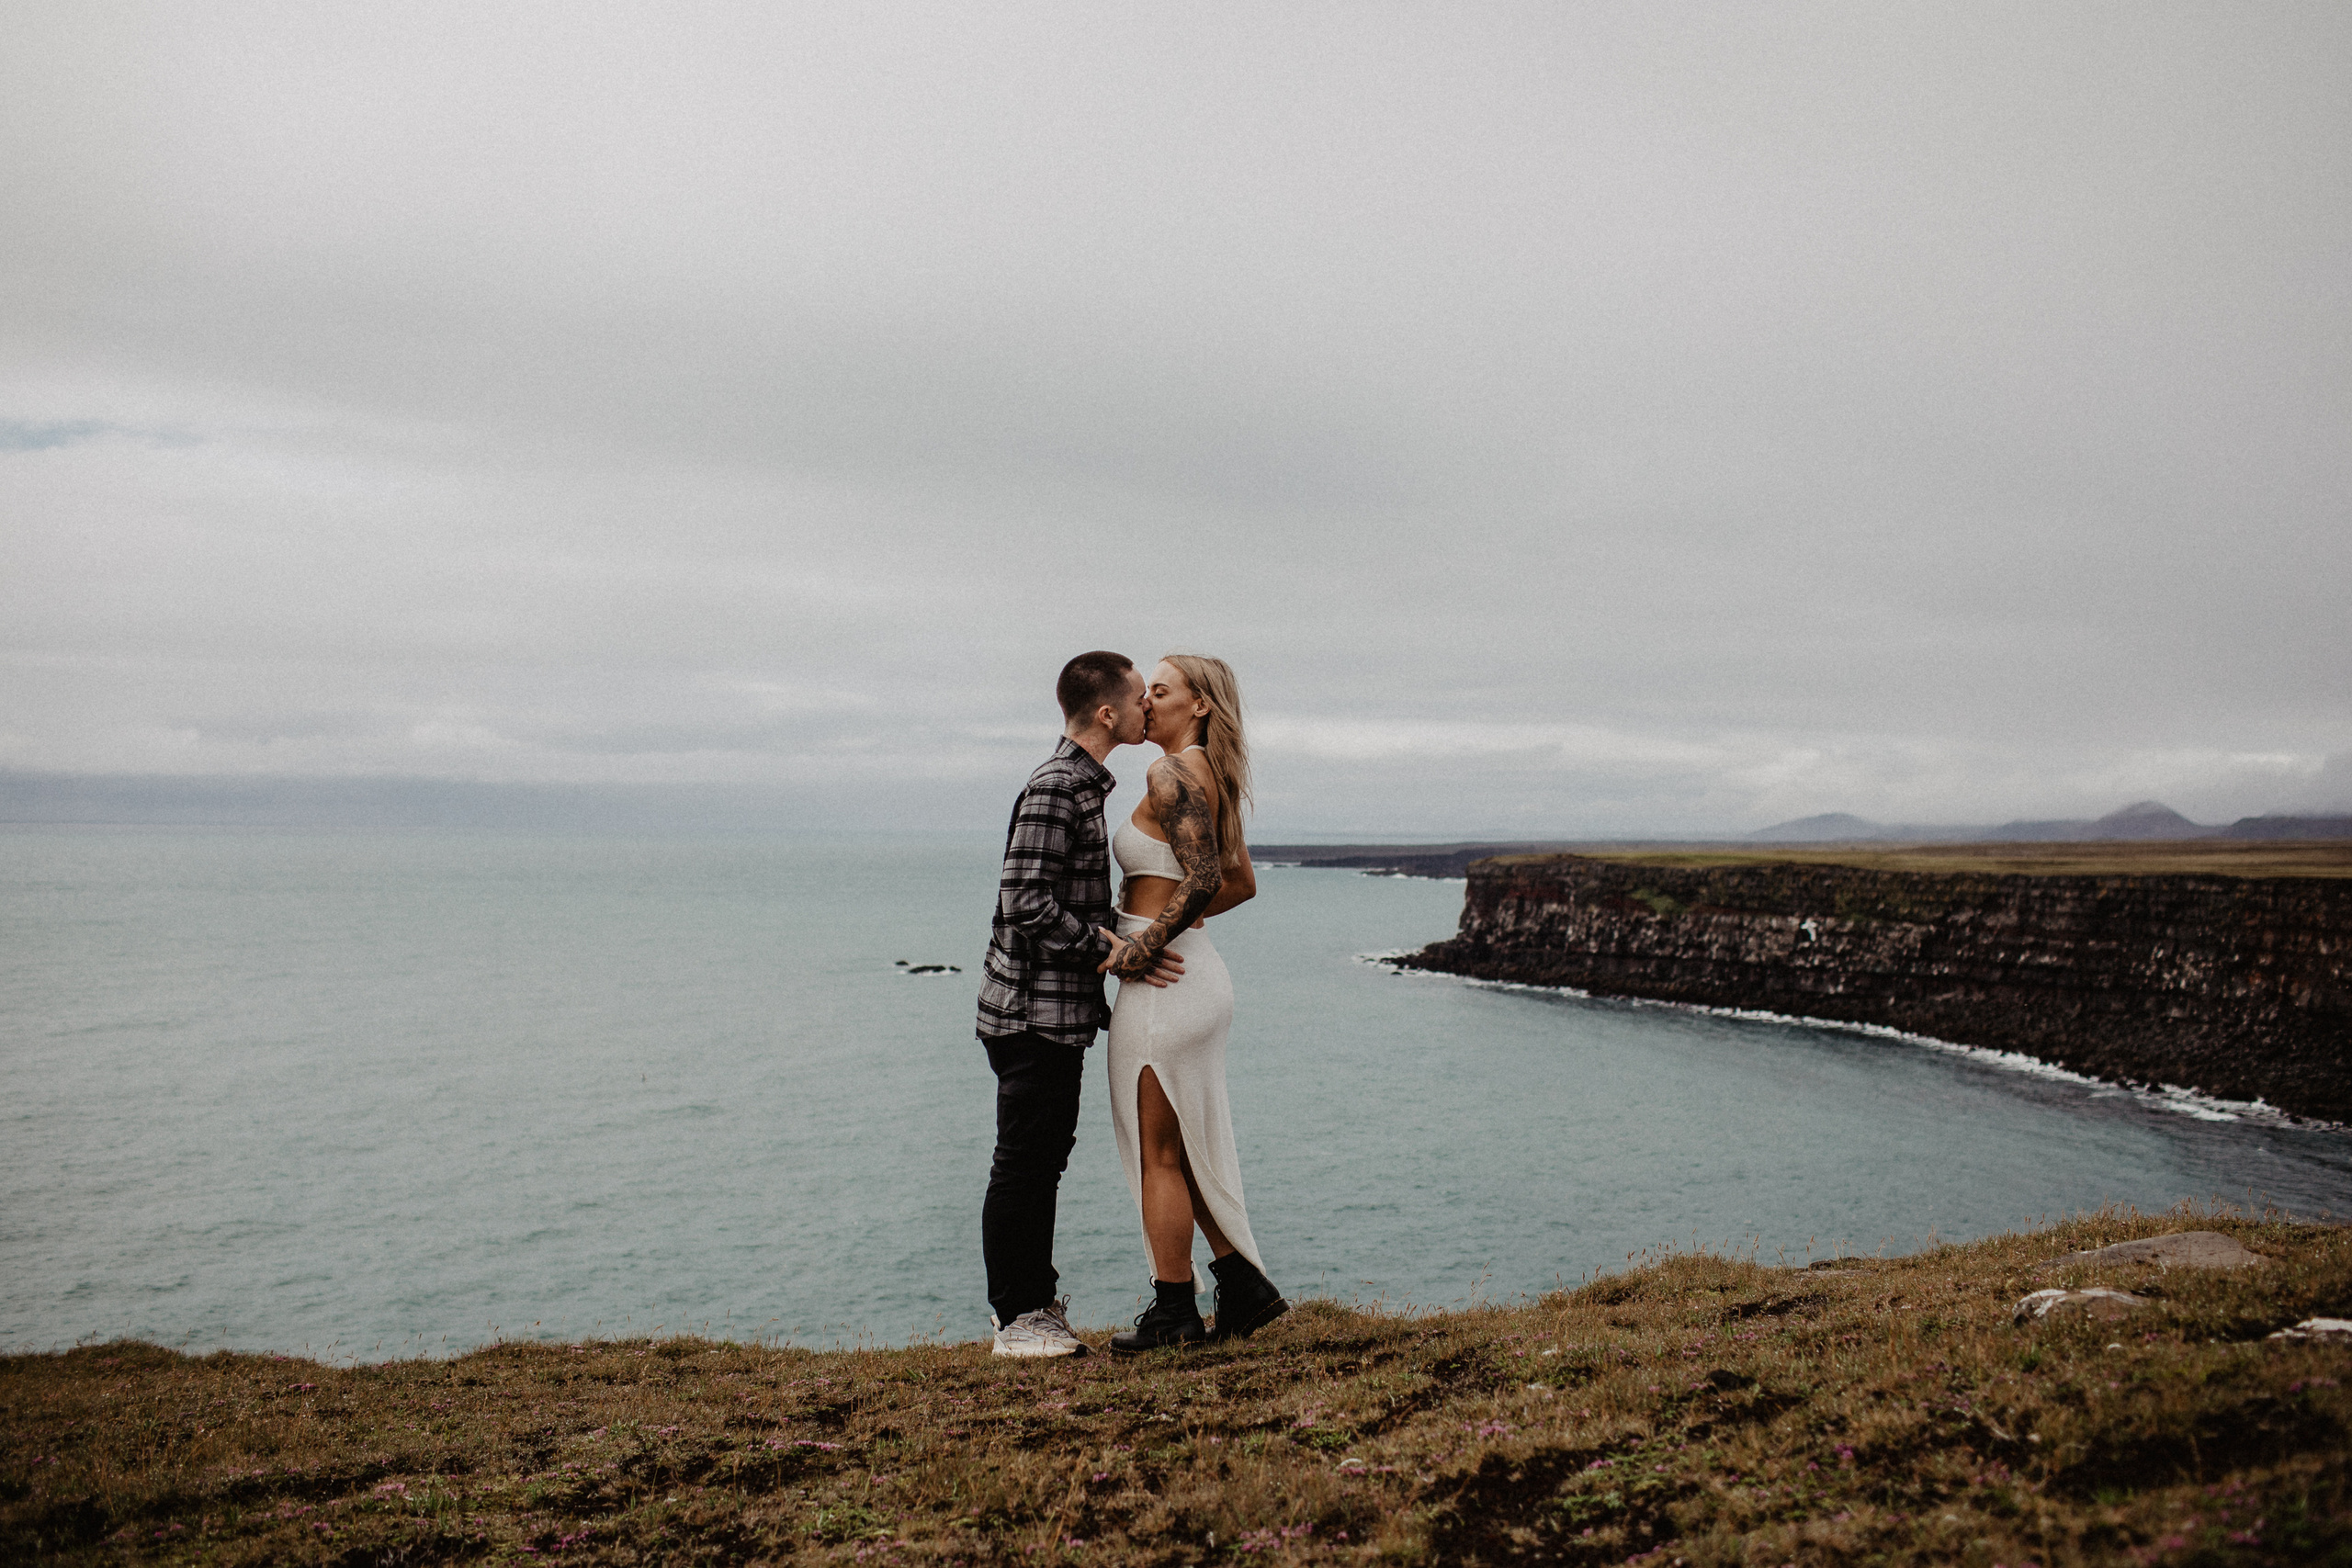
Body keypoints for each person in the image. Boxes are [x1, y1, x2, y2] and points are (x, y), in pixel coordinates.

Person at [975, 651, 1182, 1358]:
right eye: (1136, 700)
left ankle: (1034, 1307)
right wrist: (1112, 950)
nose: (1144, 710)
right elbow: (1024, 901)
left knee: (1042, 1160)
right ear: (1106, 713)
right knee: (1024, 1161)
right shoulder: (1058, 786)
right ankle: (1017, 1317)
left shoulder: (1082, 787)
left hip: (1055, 1015)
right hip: (1029, 1013)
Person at [1098, 653, 1288, 1354]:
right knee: (1183, 1143)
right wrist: (1179, 928)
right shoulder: (1211, 774)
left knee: (1160, 1154)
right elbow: (1237, 884)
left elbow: (1207, 876)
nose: (1147, 698)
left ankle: (1174, 1313)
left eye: (1162, 688)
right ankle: (1243, 1287)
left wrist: (1146, 939)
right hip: (1197, 974)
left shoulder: (1170, 772)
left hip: (1164, 987)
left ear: (1199, 705)